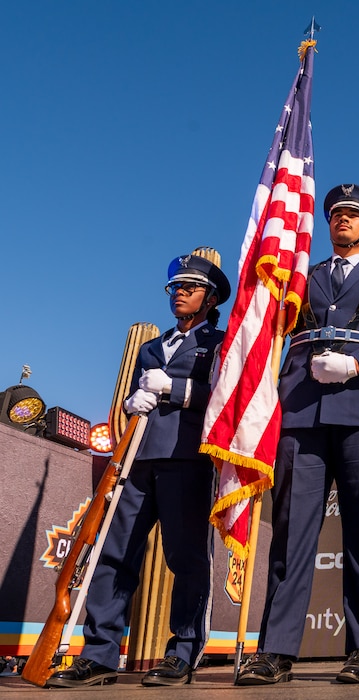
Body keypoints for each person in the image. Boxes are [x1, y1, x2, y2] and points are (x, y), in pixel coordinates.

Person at [236, 184, 359, 686]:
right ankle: (275, 650)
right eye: (337, 213)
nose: (342, 219)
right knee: (292, 534)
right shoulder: (302, 276)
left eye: (354, 215)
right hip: (301, 410)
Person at [46, 254, 230, 688]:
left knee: (185, 558)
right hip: (137, 460)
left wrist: (178, 389)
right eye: (175, 287)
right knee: (114, 555)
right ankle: (100, 655)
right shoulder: (152, 347)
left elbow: (227, 397)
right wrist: (131, 403)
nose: (179, 292)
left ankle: (183, 652)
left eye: (189, 286)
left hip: (187, 458)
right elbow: (133, 395)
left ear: (212, 297)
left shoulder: (221, 342)